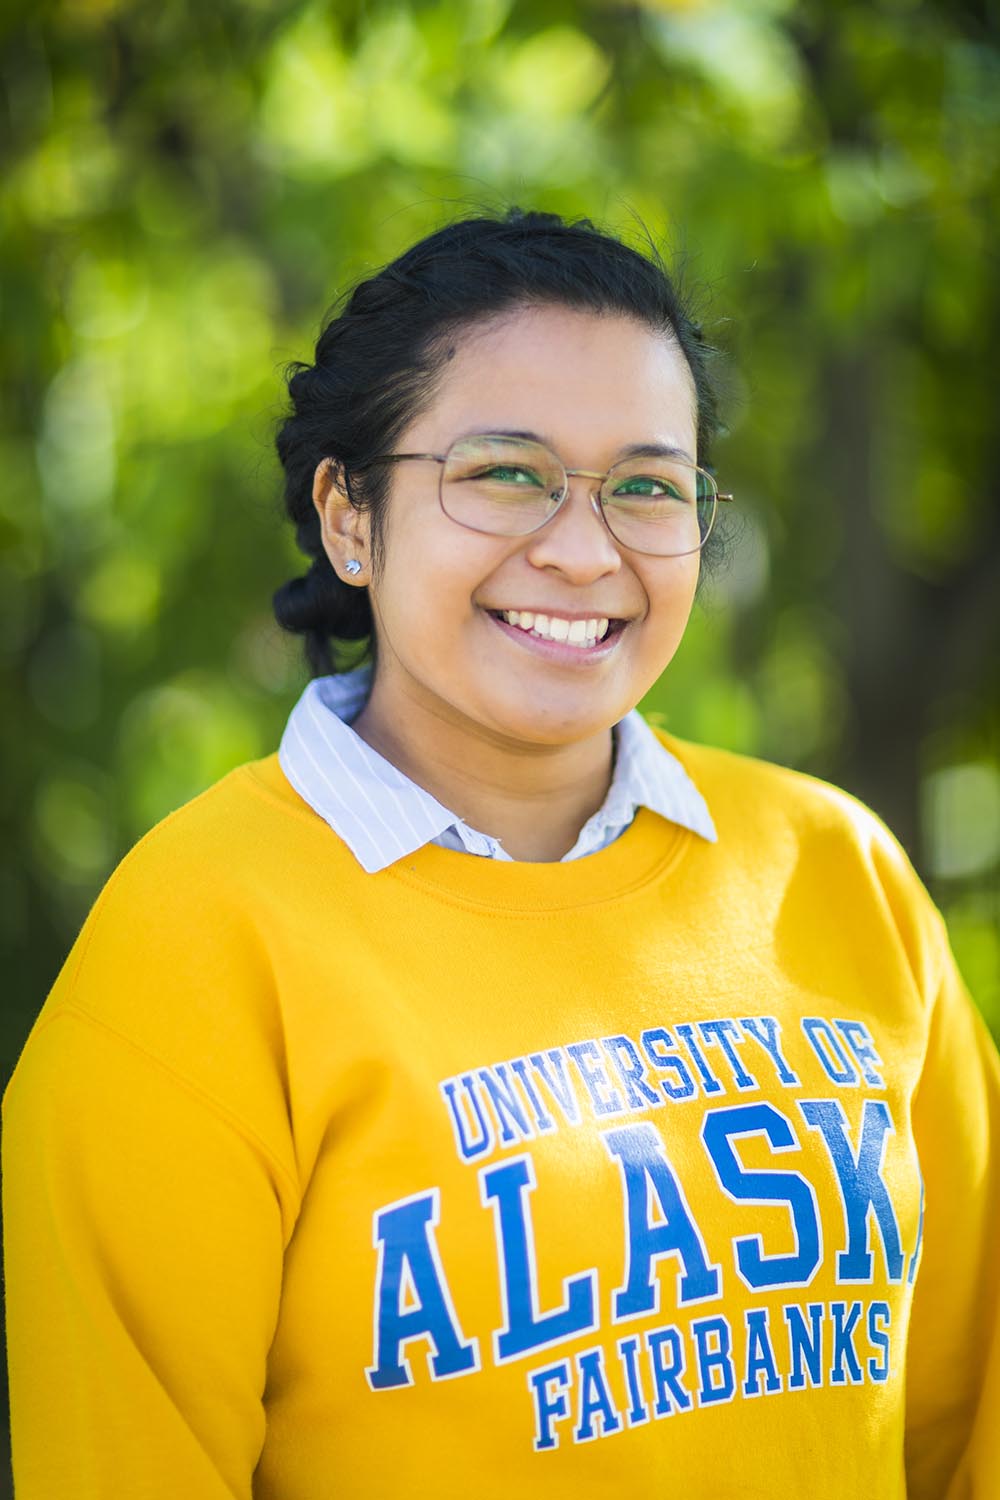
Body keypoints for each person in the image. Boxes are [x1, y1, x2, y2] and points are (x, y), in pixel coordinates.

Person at [4, 209, 998, 1500]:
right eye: (507, 473)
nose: (585, 551)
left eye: (646, 486)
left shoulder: (833, 872)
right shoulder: (191, 948)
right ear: (351, 516)